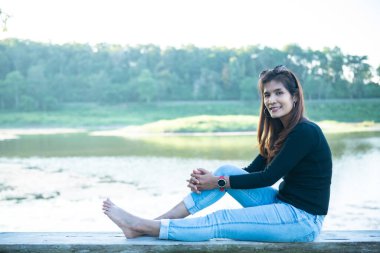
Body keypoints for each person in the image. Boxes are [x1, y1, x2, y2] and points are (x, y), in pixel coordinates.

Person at [102, 65, 332, 242]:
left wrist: (217, 183)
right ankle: (161, 221)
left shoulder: (305, 132)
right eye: (266, 94)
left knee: (221, 219)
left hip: (303, 220)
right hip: (283, 204)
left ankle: (145, 227)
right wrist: (212, 181)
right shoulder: (281, 131)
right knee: (225, 171)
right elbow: (252, 172)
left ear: (294, 96)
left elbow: (267, 178)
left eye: (278, 93)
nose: (271, 100)